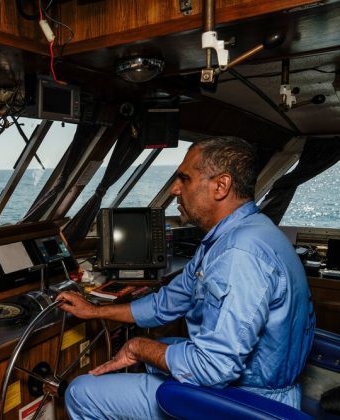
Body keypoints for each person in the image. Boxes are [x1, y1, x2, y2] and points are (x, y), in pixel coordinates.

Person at [57, 136, 315, 419]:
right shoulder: (239, 234)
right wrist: (95, 311)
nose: (174, 188)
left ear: (221, 186)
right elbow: (164, 303)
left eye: (185, 179)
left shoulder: (239, 254)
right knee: (163, 350)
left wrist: (139, 347)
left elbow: (213, 367)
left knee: (81, 392)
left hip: (249, 402)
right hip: (262, 384)